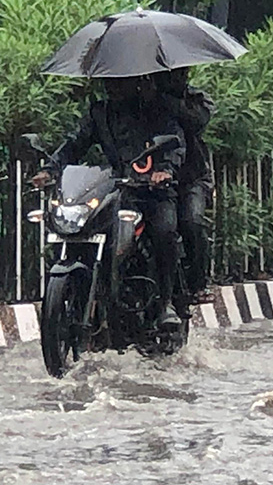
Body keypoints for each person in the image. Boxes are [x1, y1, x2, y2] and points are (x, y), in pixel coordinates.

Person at [39, 75, 187, 329]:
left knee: (164, 231)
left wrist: (165, 171)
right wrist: (52, 169)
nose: (113, 86)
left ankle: (165, 302)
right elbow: (75, 143)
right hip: (116, 191)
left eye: (119, 81)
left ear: (135, 81)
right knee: (87, 226)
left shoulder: (156, 109)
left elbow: (174, 143)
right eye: (108, 81)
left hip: (152, 191)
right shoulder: (100, 112)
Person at [157, 68, 213, 303]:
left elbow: (196, 122)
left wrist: (164, 100)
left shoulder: (197, 99)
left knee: (192, 221)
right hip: (153, 180)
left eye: (179, 72)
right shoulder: (139, 102)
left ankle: (198, 282)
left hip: (191, 177)